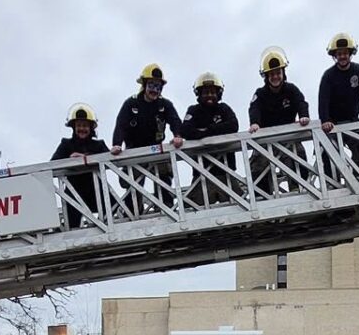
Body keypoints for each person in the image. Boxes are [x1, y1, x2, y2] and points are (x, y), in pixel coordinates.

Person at [112, 64, 188, 209]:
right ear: (144, 85)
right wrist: (117, 144)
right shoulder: (131, 104)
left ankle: (165, 206)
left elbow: (175, 121)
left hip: (156, 148)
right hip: (134, 150)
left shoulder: (165, 105)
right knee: (132, 180)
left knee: (163, 174)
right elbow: (120, 125)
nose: (155, 90)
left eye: (159, 87)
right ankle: (134, 209)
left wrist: (178, 135)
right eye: (152, 85)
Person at [247, 46, 311, 195]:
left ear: (283, 73)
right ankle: (264, 196)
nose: (275, 77)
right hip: (266, 140)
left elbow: (301, 103)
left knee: (299, 155)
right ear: (266, 76)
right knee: (257, 165)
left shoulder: (291, 90)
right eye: (271, 74)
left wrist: (304, 116)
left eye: (278, 73)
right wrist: (254, 123)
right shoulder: (260, 94)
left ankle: (297, 189)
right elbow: (254, 108)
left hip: (289, 138)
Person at [317, 32, 359, 181]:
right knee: (326, 150)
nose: (342, 56)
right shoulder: (328, 76)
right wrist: (325, 120)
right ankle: (332, 181)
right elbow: (323, 100)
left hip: (352, 120)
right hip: (332, 124)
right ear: (335, 56)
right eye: (339, 54)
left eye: (345, 53)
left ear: (350, 54)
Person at [182, 72, 240, 206]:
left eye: (212, 92)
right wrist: (217, 130)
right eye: (206, 92)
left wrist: (207, 130)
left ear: (218, 94)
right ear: (199, 94)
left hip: (226, 172)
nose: (209, 96)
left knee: (241, 209)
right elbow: (185, 130)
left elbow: (233, 125)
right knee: (192, 213)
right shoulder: (193, 110)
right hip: (201, 175)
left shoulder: (224, 108)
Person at [51, 103, 108, 229]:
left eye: (85, 125)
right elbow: (53, 164)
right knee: (71, 229)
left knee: (113, 207)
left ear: (91, 128)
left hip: (96, 192)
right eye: (79, 125)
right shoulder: (66, 145)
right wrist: (69, 159)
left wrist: (89, 157)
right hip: (73, 194)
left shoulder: (99, 145)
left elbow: (112, 162)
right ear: (73, 127)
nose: (82, 129)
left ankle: (100, 227)